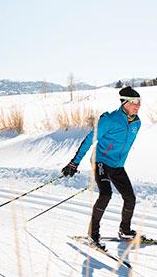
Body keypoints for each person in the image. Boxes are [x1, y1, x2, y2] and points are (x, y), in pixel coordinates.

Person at [61, 86, 142, 249]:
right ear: (124, 103)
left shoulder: (137, 123)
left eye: (139, 102)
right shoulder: (109, 120)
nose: (138, 105)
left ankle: (125, 230)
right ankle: (93, 234)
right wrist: (74, 162)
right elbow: (89, 140)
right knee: (105, 194)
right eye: (134, 102)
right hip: (101, 161)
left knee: (130, 198)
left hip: (117, 165)